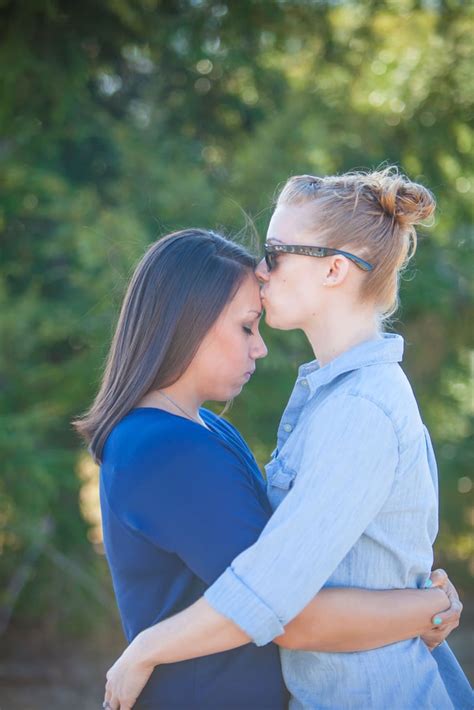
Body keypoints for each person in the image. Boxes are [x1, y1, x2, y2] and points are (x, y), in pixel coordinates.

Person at [99, 169, 473, 709]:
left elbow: (273, 595)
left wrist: (145, 649)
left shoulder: (358, 408)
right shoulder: (331, 400)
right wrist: (428, 603)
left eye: (275, 252)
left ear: (335, 269)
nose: (260, 268)